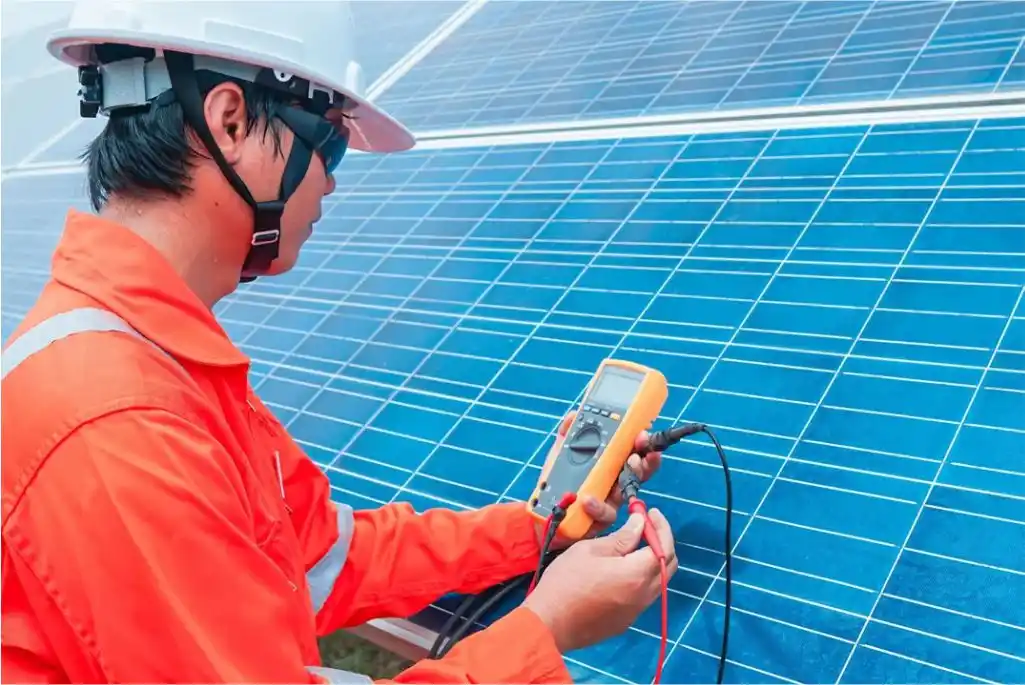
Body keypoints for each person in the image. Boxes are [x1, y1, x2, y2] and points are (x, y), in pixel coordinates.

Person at [0, 2, 679, 683]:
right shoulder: (120, 423)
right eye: (325, 140)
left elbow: (323, 559)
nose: (330, 177)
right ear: (229, 120)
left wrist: (539, 526)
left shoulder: (156, 355)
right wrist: (545, 630)